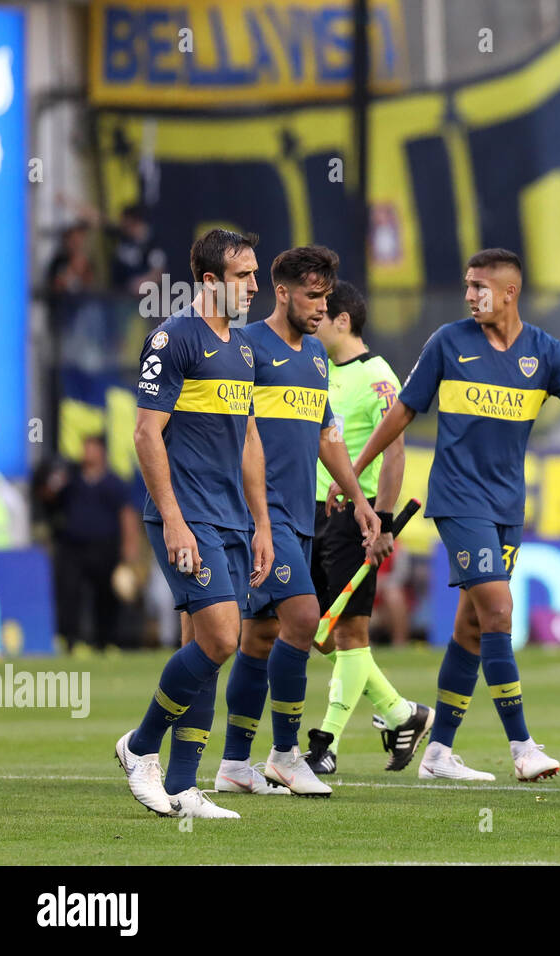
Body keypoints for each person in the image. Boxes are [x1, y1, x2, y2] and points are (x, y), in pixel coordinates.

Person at [350, 248, 560, 781]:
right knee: (498, 612)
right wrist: (357, 467)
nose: (469, 295)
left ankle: (438, 753)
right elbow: (403, 410)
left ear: (510, 292)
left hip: (507, 507)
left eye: (479, 287)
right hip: (459, 500)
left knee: (471, 627)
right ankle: (523, 747)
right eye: (467, 285)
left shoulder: (547, 353)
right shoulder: (448, 342)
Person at [116, 228, 274, 820]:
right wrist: (176, 522)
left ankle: (183, 787)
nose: (255, 286)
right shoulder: (173, 337)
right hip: (187, 517)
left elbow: (250, 439)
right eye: (243, 276)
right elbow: (145, 433)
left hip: (232, 519)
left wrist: (262, 523)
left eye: (256, 274)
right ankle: (139, 747)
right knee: (220, 637)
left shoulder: (245, 349)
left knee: (204, 647)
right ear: (209, 282)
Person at [214, 246, 380, 798]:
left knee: (261, 636)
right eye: (312, 295)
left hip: (301, 515)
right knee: (305, 617)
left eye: (327, 297)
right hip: (259, 516)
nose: (320, 307)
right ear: (280, 292)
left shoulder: (314, 357)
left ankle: (235, 763)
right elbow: (233, 435)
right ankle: (286, 753)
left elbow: (328, 435)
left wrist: (358, 499)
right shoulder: (246, 348)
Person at [304, 279, 430, 775]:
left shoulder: (378, 375)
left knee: (350, 632)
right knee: (316, 633)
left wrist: (382, 521)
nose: (313, 324)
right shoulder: (318, 370)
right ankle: (402, 713)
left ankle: (325, 745)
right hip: (311, 514)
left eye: (321, 315)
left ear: (343, 320)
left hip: (354, 517)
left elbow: (395, 449)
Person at [42, 434, 139, 650]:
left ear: (101, 451)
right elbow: (48, 498)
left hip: (104, 547)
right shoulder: (72, 480)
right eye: (84, 448)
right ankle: (70, 640)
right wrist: (55, 482)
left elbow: (127, 515)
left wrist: (129, 548)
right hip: (73, 547)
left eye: (91, 448)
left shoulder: (114, 483)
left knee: (106, 595)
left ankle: (106, 641)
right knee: (70, 593)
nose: (86, 453)